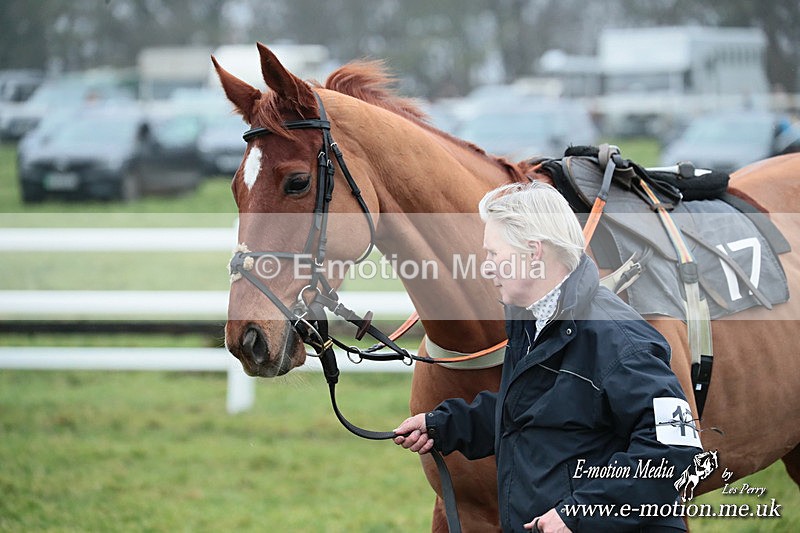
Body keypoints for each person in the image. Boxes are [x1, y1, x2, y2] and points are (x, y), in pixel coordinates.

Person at [394, 181, 702, 532]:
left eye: (494, 254)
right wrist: (445, 424)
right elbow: (534, 411)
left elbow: (676, 451)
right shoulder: (532, 324)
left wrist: (583, 513)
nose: (488, 267)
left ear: (534, 252)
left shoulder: (619, 339)